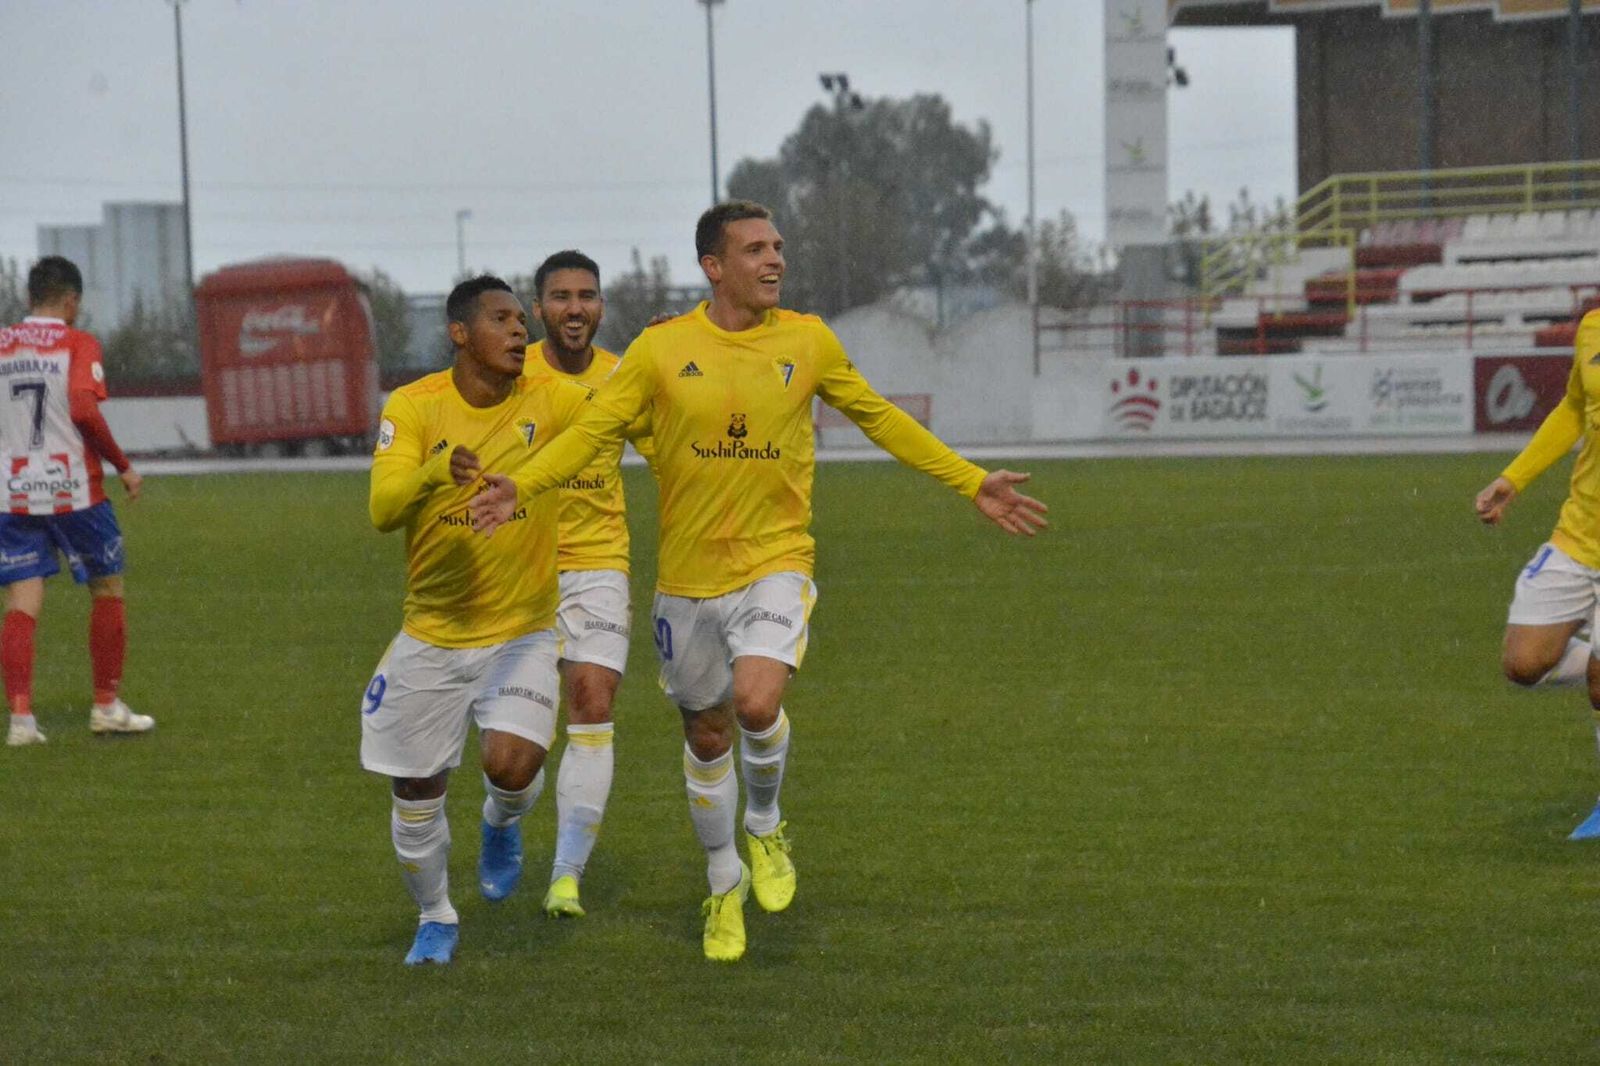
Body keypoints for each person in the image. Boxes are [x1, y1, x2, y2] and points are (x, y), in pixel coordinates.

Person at [470, 201, 1048, 961]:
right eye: (755, 249)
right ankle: (722, 886)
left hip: (775, 561)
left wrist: (970, 481)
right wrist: (522, 485)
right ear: (714, 266)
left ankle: (767, 827)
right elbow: (588, 435)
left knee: (756, 699)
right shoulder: (660, 349)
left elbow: (878, 416)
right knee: (706, 737)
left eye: (778, 247)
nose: (775, 260)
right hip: (687, 583)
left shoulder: (807, 341)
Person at [362, 275, 590, 965]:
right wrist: (436, 472)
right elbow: (382, 509)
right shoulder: (415, 405)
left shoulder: (552, 399)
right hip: (432, 633)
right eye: (502, 319)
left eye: (522, 320)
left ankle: (502, 821)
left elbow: (620, 416)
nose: (521, 331)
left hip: (521, 629)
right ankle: (435, 915)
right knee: (416, 789)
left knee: (511, 766)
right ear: (461, 333)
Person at [520, 250, 652, 918]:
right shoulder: (508, 378)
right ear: (537, 306)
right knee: (515, 754)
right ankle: (501, 817)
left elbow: (676, 441)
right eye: (562, 296)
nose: (576, 308)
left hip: (599, 564)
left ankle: (566, 875)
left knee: (592, 705)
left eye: (588, 296)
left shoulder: (625, 377)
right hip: (519, 571)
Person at [1, 256, 149, 747]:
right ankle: (106, 706)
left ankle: (21, 721)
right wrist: (123, 465)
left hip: (13, 492)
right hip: (74, 490)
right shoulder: (78, 343)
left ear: (29, 298)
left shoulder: (2, 345)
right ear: (71, 301)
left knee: (23, 601)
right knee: (107, 588)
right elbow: (84, 408)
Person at [1475, 307, 1600, 838]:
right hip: (1579, 536)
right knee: (1524, 664)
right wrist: (1515, 478)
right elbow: (1574, 407)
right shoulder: (1592, 328)